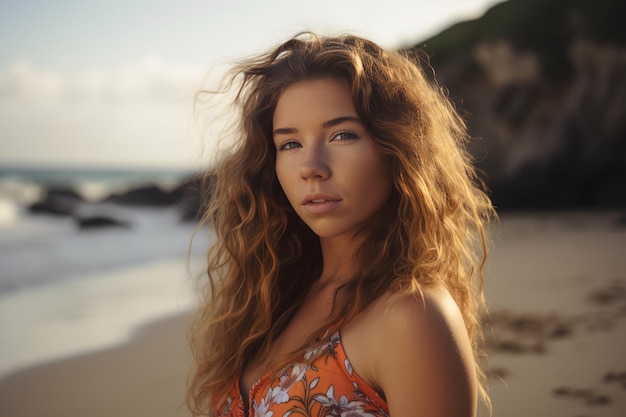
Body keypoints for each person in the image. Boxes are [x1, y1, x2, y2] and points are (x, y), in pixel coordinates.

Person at [186, 33, 495, 417]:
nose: (311, 167)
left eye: (341, 135)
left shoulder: (412, 316)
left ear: (396, 149)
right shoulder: (275, 299)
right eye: (290, 144)